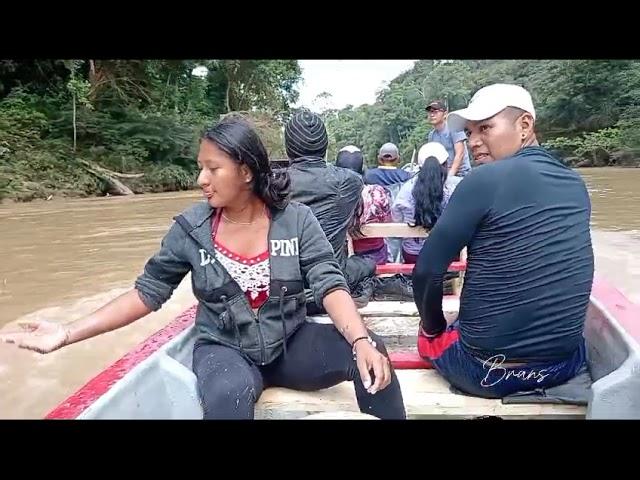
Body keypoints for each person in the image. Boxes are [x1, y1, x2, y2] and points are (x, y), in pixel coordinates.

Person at [1, 116, 406, 420]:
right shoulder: (190, 230)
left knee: (372, 354)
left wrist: (359, 340)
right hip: (225, 349)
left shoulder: (295, 219)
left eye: (213, 168)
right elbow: (146, 294)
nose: (201, 179)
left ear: (246, 172)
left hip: (289, 341)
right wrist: (67, 332)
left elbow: (329, 283)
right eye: (201, 167)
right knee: (229, 397)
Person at [413, 84, 594, 398]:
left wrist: (433, 327)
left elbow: (427, 273)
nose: (474, 142)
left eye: (485, 128)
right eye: (469, 133)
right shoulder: (576, 183)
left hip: (487, 372)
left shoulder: (483, 179)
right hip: (563, 365)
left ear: (524, 125)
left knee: (430, 337)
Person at [286, 111, 376, 308]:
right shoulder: (350, 182)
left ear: (288, 148)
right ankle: (359, 290)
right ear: (324, 147)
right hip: (331, 279)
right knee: (368, 263)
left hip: (286, 282)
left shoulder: (273, 184)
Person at [391, 142, 461, 263]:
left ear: (419, 166)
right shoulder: (455, 188)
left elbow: (397, 220)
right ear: (446, 164)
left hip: (413, 256)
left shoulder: (406, 191)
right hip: (447, 255)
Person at [335, 145, 392, 265]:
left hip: (343, 259)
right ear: (362, 169)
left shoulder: (332, 196)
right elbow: (388, 221)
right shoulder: (377, 193)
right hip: (376, 257)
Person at [426, 100, 472, 177]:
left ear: (445, 114)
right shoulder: (432, 136)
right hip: (443, 175)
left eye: (435, 112)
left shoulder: (454, 128)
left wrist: (450, 175)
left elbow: (460, 153)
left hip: (461, 174)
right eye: (430, 112)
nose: (432, 115)